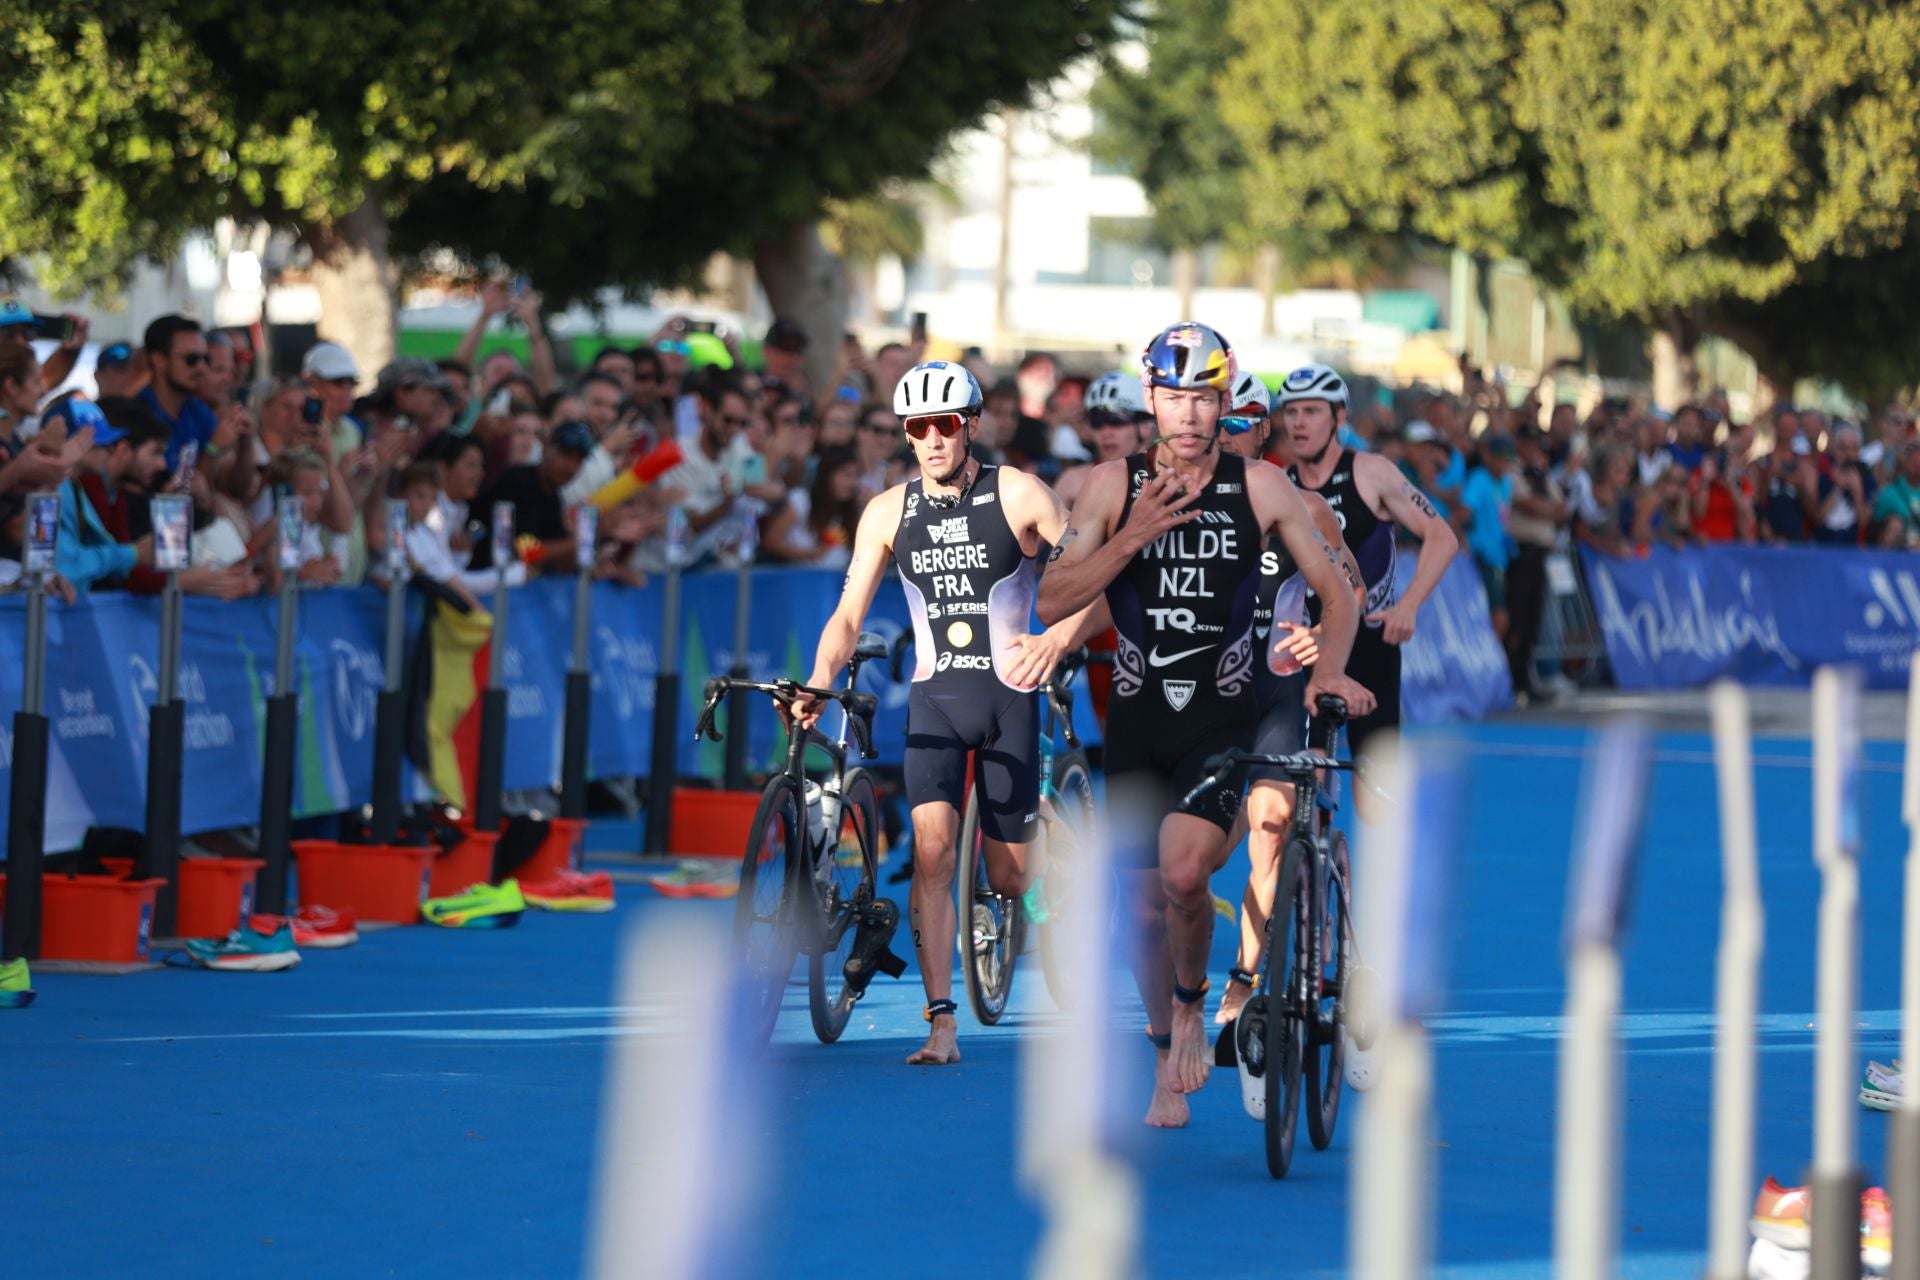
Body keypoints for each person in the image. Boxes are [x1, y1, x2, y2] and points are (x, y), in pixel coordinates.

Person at [1037, 324, 1371, 1128]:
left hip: (1222, 716)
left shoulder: (1259, 486)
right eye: (1175, 397)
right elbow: (1053, 598)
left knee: (1187, 878)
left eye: (1204, 398)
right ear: (1152, 399)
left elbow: (1337, 590)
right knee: (1143, 906)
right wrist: (1137, 536)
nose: (1189, 415)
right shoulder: (1111, 485)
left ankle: (1195, 1004)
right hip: (1137, 718)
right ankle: (1163, 1045)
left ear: (1225, 402)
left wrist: (1327, 669)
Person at [792, 360, 1092, 1068]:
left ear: (972, 425)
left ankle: (1052, 836)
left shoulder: (1020, 494)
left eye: (944, 425)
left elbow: (1090, 576)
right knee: (930, 855)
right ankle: (941, 1022)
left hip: (1008, 698)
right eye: (916, 427)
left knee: (1012, 879)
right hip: (935, 699)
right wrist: (817, 676)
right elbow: (846, 615)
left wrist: (1055, 640)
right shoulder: (888, 511)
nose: (929, 439)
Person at [1212, 368, 1366, 1035]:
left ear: (1264, 429)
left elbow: (1350, 594)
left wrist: (1321, 640)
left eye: (1243, 423)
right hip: (1207, 700)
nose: (1228, 436)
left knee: (1271, 827)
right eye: (1219, 423)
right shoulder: (1174, 502)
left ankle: (1243, 980)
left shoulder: (1304, 506)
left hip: (1276, 689)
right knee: (1208, 857)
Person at [1280, 363, 1458, 773]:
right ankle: (1311, 834)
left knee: (1374, 792)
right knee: (1306, 775)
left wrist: (1408, 605)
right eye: (1291, 412)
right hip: (1307, 644)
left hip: (1371, 643)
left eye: (1312, 411)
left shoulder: (1370, 472)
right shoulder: (1279, 483)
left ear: (1339, 418)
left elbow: (1441, 536)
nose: (1299, 423)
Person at [1056, 372, 1153, 507]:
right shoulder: (1072, 481)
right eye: (1097, 422)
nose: (1106, 433)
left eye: (1117, 421)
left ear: (1145, 426)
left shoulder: (1169, 476)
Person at [760, 445, 861, 569]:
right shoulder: (801, 501)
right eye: (846, 475)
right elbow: (770, 541)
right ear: (827, 474)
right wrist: (806, 554)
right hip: (798, 580)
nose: (852, 483)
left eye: (856, 475)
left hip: (836, 584)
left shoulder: (852, 511)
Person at [1461, 435, 1517, 638]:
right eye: (1500, 457)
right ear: (1488, 457)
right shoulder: (1479, 478)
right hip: (1482, 555)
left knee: (1500, 613)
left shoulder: (1507, 483)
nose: (1505, 462)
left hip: (1499, 556)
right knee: (1497, 614)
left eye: (1509, 458)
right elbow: (1465, 511)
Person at [1872, 439, 1920, 548]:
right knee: (1894, 525)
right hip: (1898, 556)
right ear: (1905, 461)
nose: (1917, 463)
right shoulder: (1888, 493)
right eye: (1913, 459)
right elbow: (1874, 530)